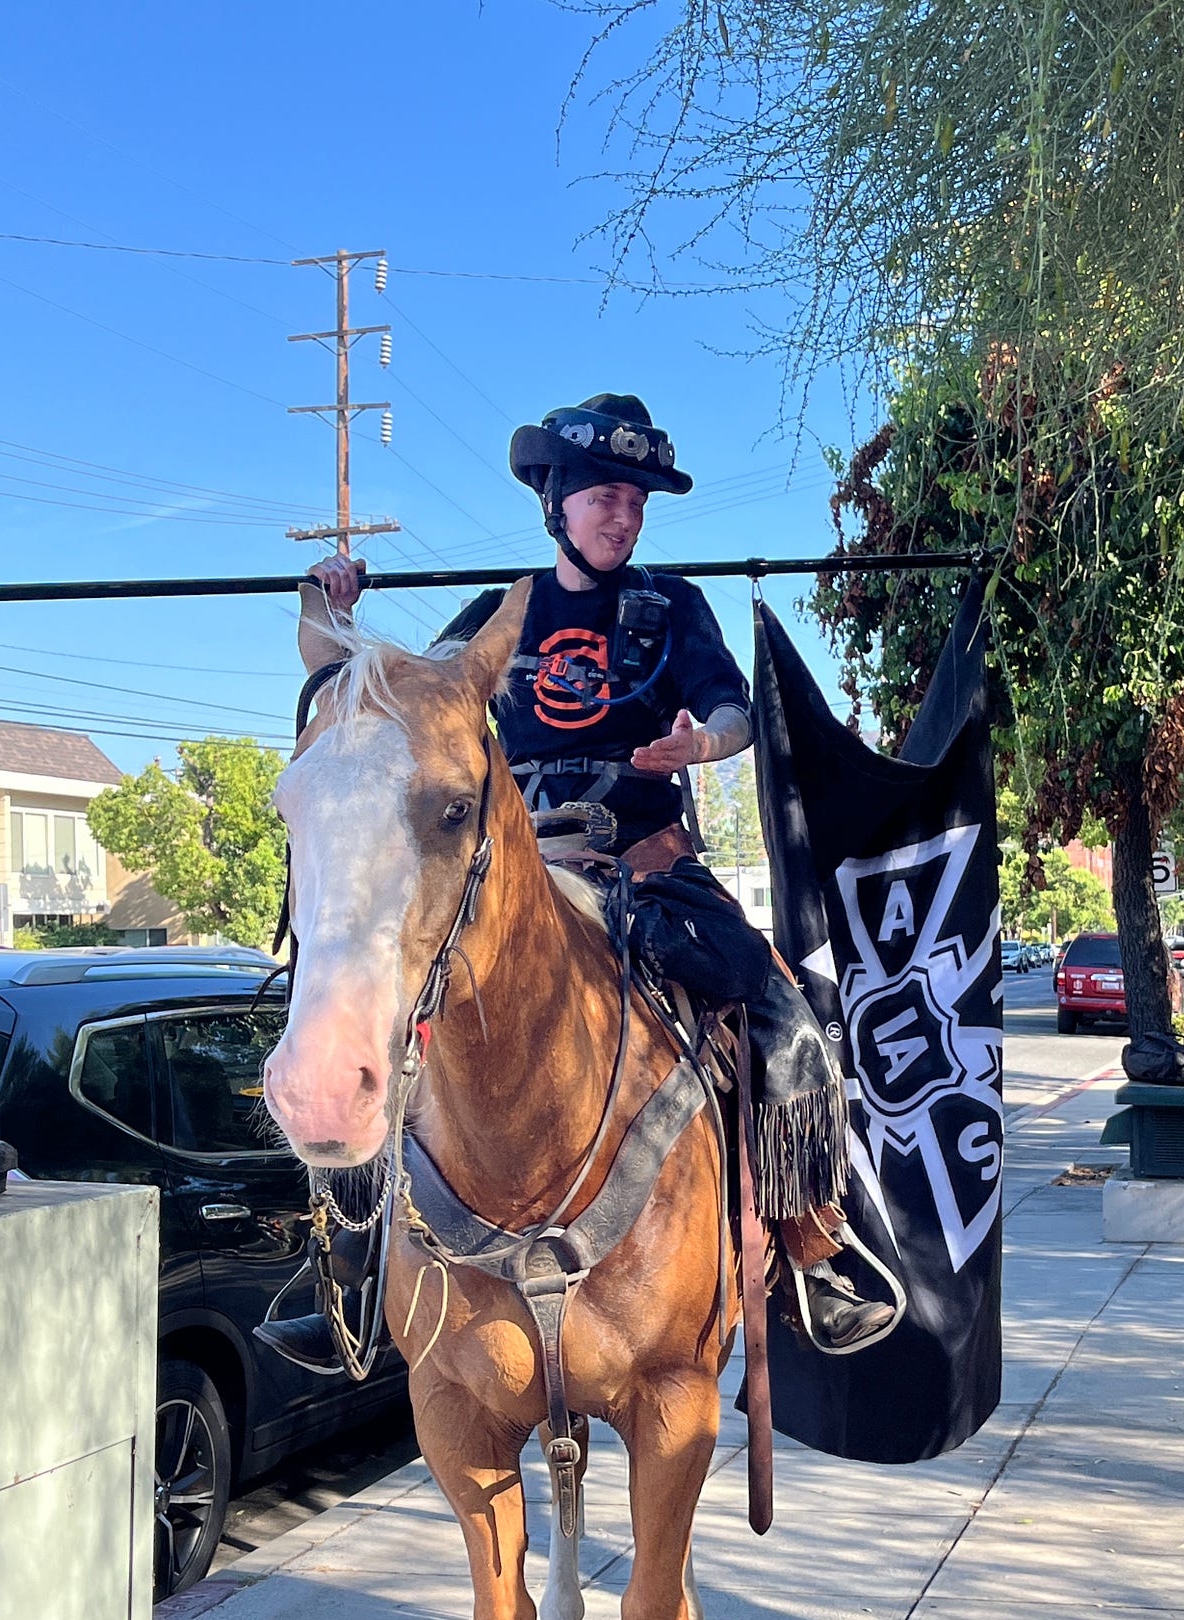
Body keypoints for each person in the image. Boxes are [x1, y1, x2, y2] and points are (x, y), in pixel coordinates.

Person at [270, 392, 901, 1366]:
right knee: (383, 1015)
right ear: (557, 503)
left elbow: (731, 712)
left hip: (647, 865)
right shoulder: (494, 617)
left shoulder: (673, 610)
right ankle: (353, 1270)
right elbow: (405, 704)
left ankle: (810, 1242)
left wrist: (702, 741)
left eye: (638, 501)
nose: (625, 514)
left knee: (781, 1011)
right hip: (512, 873)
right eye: (607, 495)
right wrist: (332, 612)